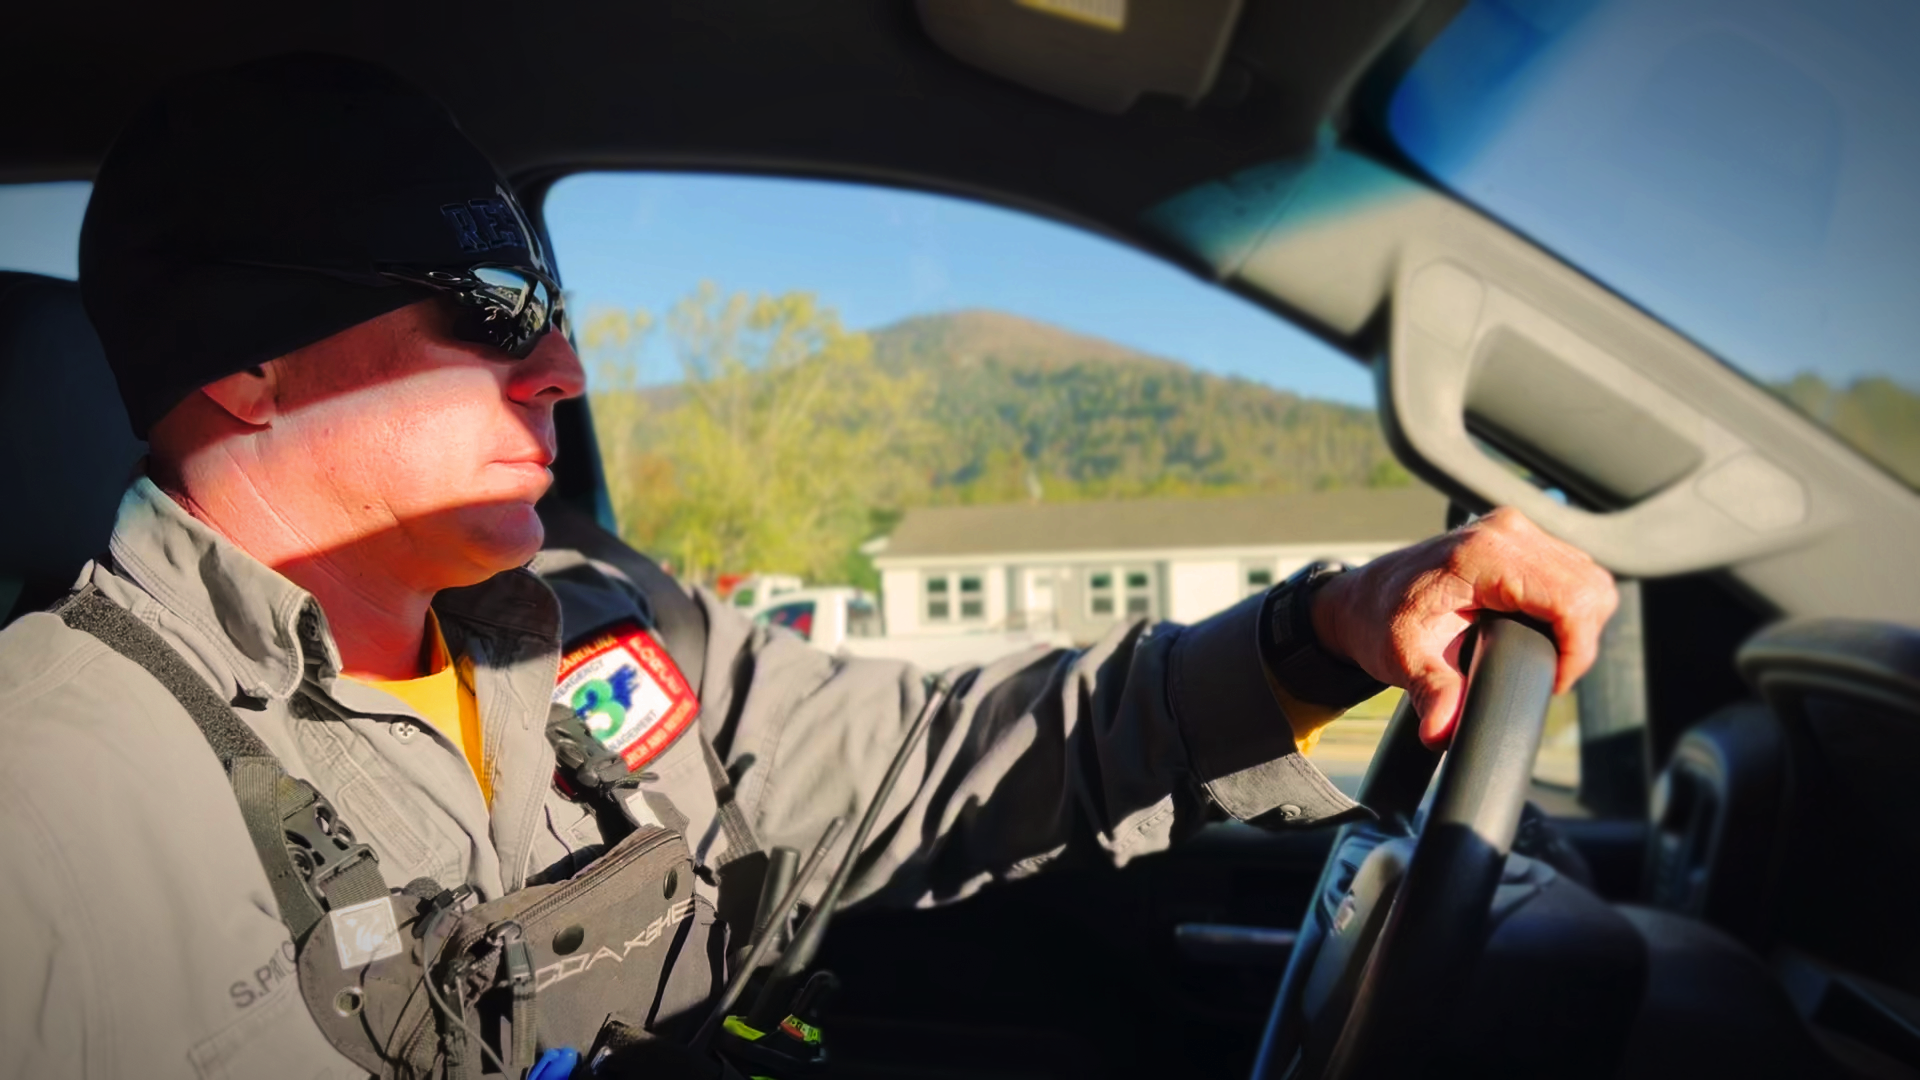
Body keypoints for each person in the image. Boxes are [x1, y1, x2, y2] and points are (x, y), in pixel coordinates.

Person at [0, 55, 1617, 1080]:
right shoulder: (48, 803)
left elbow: (940, 759)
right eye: (490, 306)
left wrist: (1329, 629)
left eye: (557, 314)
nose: (561, 370)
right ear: (249, 365)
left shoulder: (602, 626)